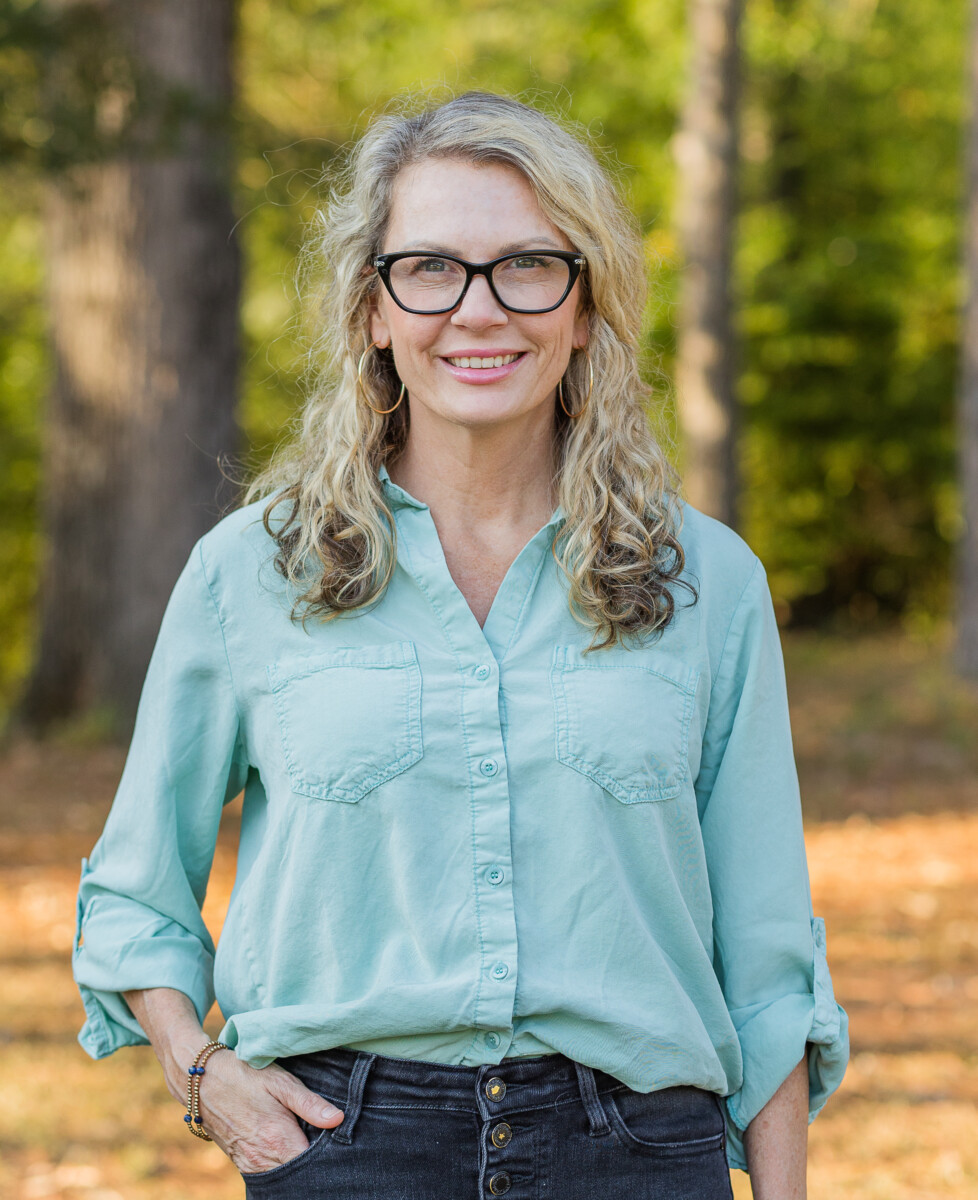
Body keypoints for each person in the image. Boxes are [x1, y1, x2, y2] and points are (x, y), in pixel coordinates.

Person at [72, 90, 848, 1200]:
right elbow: (137, 891)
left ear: (585, 308)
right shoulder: (253, 571)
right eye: (430, 268)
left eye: (528, 265)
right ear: (373, 310)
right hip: (344, 1144)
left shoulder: (708, 582)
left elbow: (769, 956)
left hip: (636, 1151)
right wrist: (203, 1074)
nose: (478, 310)